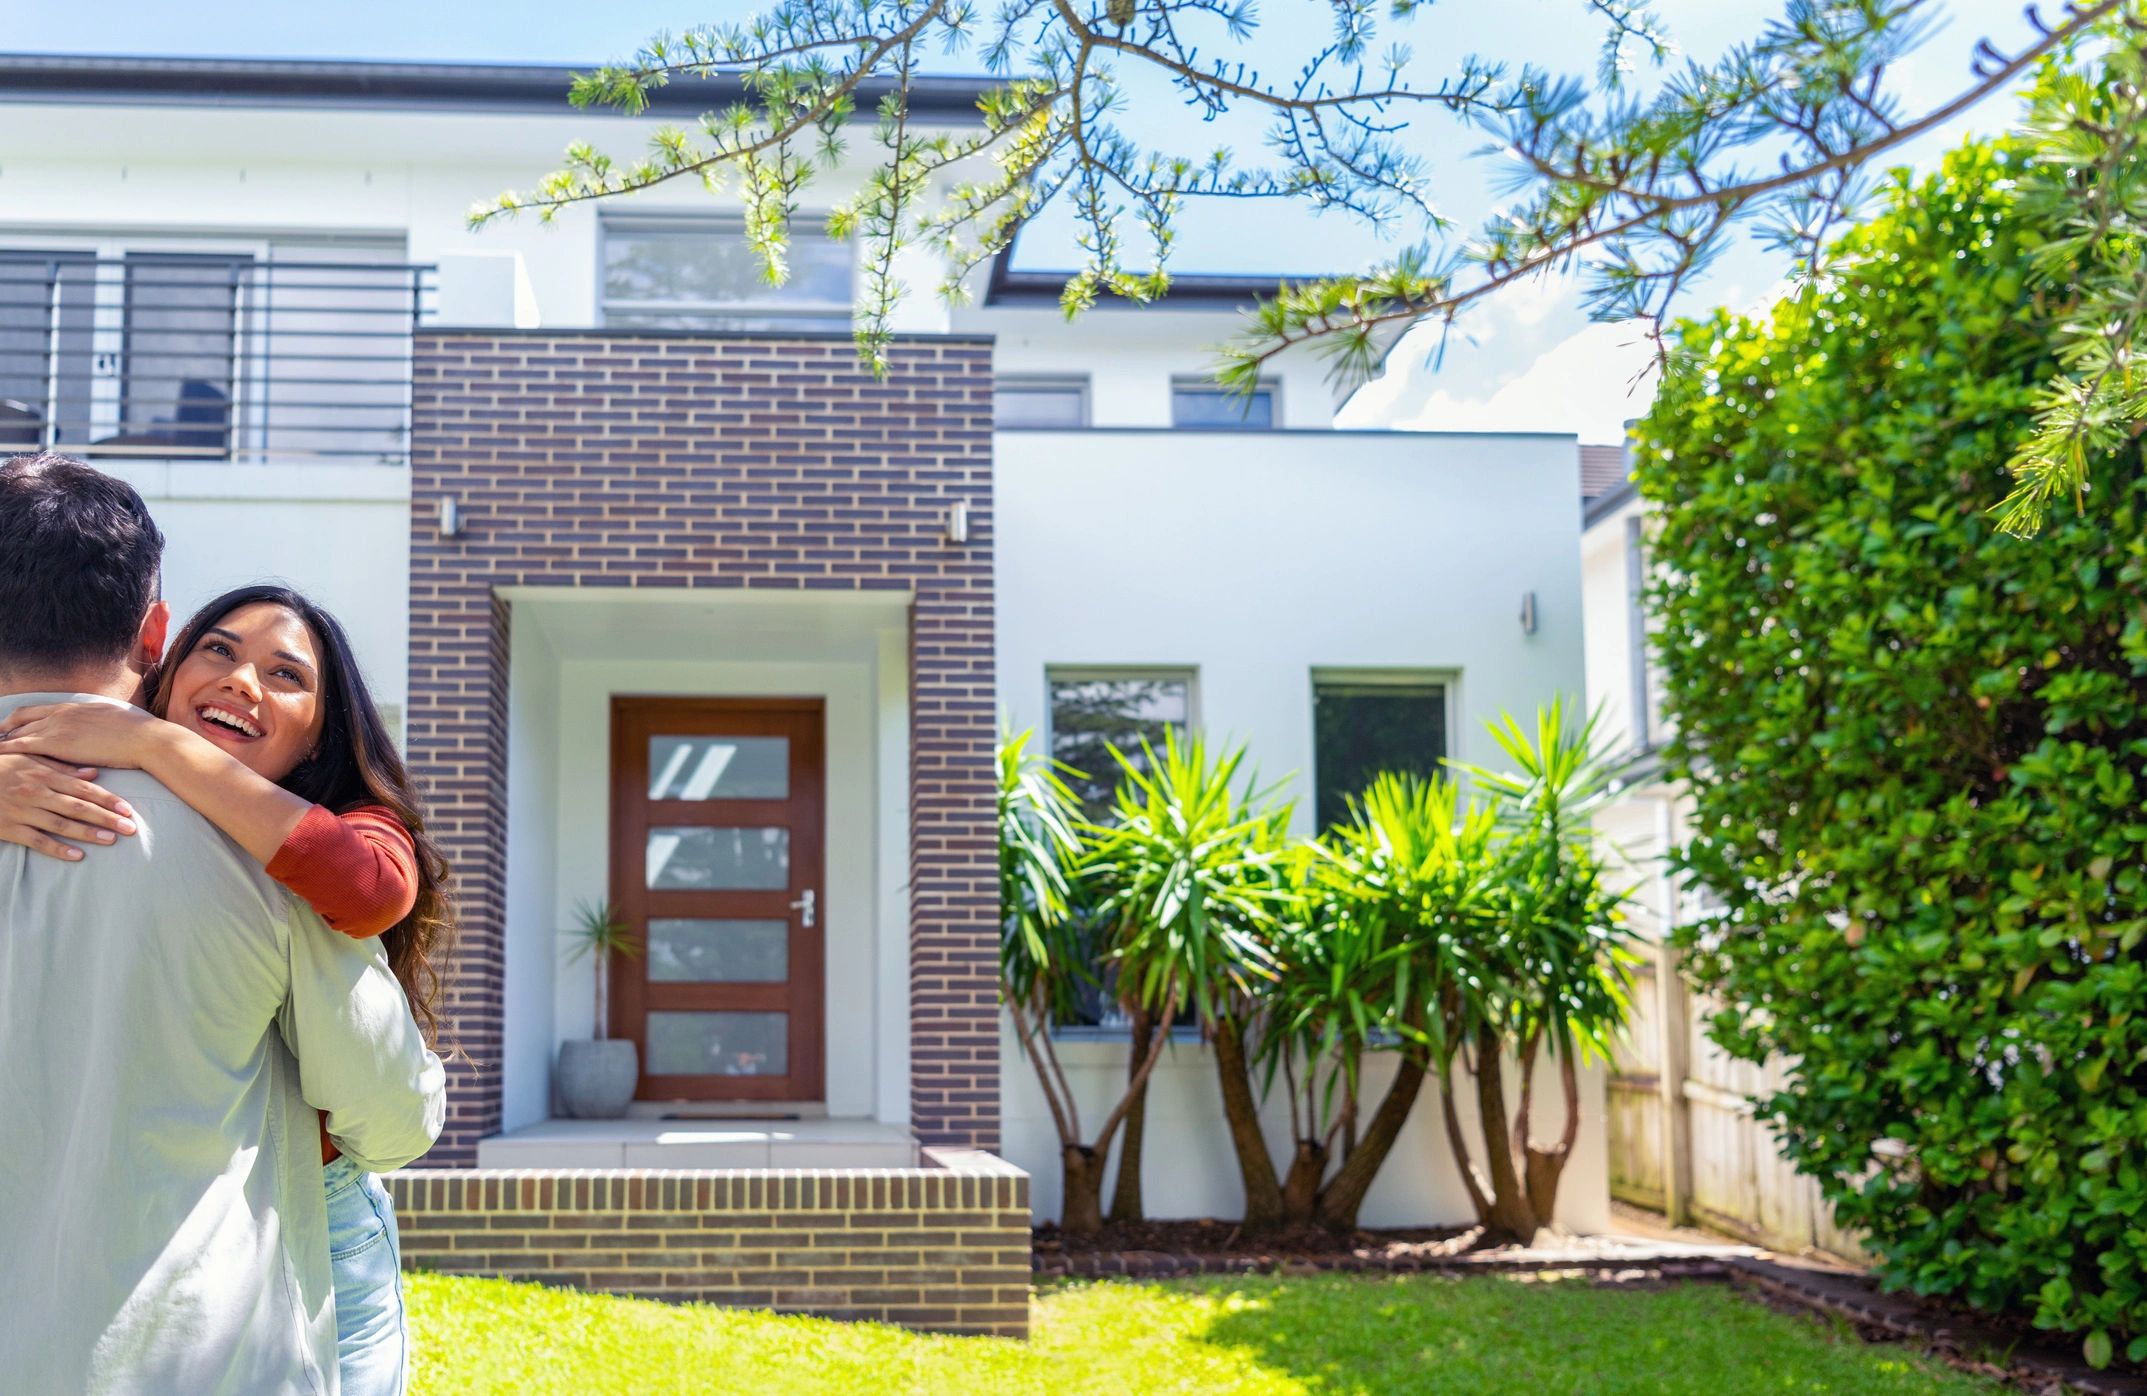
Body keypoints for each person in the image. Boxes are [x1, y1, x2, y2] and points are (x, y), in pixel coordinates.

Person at [0, 453, 445, 1394]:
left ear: (322, 736)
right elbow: (395, 1116)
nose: (243, 682)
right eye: (221, 650)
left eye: (287, 674)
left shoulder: (296, 847)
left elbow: (366, 883)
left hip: (317, 1217)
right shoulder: (246, 873)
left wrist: (148, 742)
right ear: (157, 643)